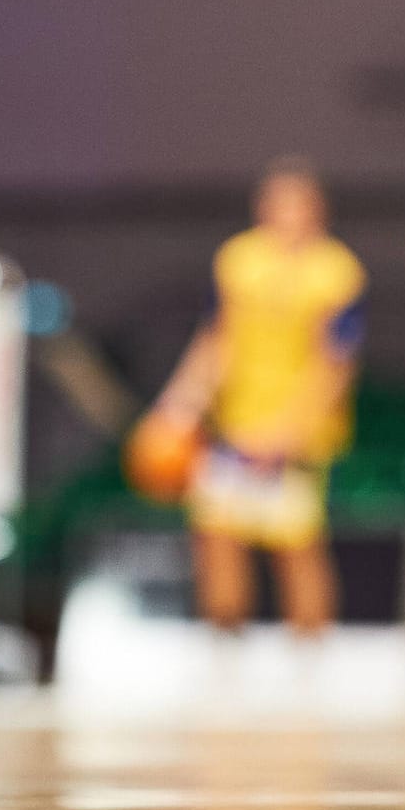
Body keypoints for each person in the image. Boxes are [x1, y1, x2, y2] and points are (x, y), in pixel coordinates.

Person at [140, 160, 365, 636]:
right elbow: (216, 340)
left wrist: (289, 429)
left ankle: (310, 655)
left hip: (298, 435)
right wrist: (178, 404)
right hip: (236, 422)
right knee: (218, 536)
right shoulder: (238, 261)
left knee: (296, 544)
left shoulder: (336, 271)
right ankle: (225, 647)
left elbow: (336, 365)